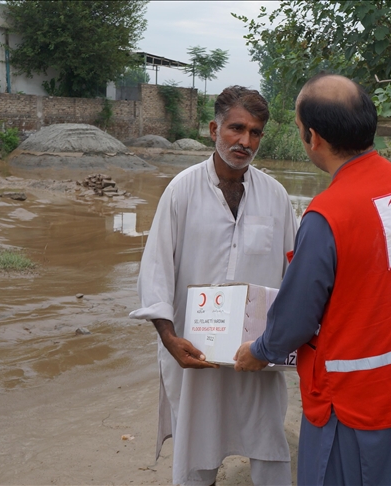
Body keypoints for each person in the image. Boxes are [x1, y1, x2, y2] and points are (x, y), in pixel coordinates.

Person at [234, 74, 391, 485]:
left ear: (314, 137)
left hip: (349, 403)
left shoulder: (329, 215)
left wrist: (259, 350)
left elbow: (297, 318)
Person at [129, 86, 297, 486]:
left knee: (268, 443)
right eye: (236, 128)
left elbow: (295, 275)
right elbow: (155, 271)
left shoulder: (276, 197)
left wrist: (280, 343)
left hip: (257, 354)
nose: (245, 141)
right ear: (213, 128)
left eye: (255, 132)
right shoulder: (182, 191)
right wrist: (169, 338)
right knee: (196, 451)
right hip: (196, 353)